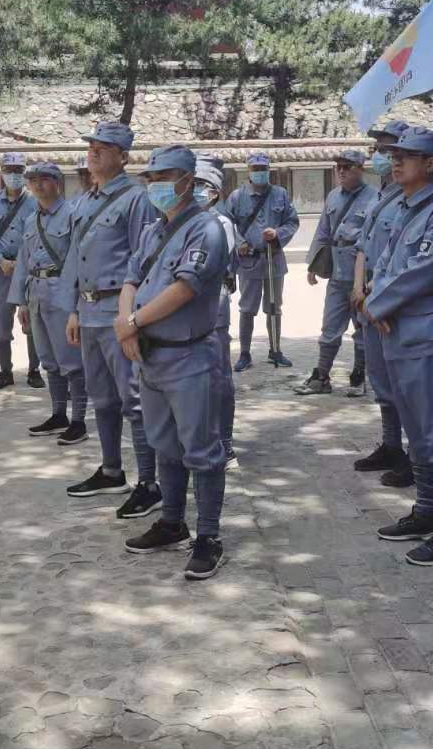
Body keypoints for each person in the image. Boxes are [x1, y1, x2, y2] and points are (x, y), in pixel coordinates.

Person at [116, 145, 233, 579]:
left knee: (202, 451)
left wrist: (132, 322)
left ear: (187, 180)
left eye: (164, 177)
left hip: (190, 356)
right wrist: (127, 324)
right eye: (150, 178)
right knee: (164, 444)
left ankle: (209, 536)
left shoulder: (207, 229)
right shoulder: (153, 231)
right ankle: (172, 522)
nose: (156, 185)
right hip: (151, 355)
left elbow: (185, 289)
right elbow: (131, 279)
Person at [363, 125, 433, 565]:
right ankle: (428, 511)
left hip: (429, 329)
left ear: (430, 163)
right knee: (417, 429)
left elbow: (425, 269)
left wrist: (377, 303)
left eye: (406, 155)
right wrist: (376, 299)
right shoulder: (403, 208)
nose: (395, 160)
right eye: (394, 154)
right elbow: (385, 264)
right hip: (399, 330)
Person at [64, 121, 161, 518]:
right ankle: (111, 470)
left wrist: (133, 320)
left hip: (117, 314)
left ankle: (149, 483)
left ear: (123, 157)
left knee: (134, 402)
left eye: (103, 148)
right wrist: (74, 309)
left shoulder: (137, 199)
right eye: (91, 145)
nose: (94, 152)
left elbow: (144, 263)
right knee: (101, 398)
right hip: (88, 313)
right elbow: (76, 258)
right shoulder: (85, 200)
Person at [350, 120, 414, 487]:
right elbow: (363, 246)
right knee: (380, 379)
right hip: (368, 298)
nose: (381, 156)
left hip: (391, 298)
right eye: (379, 149)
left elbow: (403, 259)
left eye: (389, 149)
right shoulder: (380, 196)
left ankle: (416, 455)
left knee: (403, 383)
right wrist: (358, 287)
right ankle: (391, 444)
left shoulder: (412, 200)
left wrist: (373, 291)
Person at [9, 163, 88, 446]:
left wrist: (76, 305)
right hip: (36, 293)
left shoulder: (73, 215)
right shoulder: (32, 219)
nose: (38, 185)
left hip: (62, 292)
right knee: (49, 361)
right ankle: (58, 414)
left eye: (44, 179)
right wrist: (21, 301)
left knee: (72, 362)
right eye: (32, 180)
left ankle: (79, 420)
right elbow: (24, 260)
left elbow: (79, 260)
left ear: (57, 182)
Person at [296, 149, 377, 395]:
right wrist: (313, 264)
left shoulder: (375, 198)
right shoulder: (332, 196)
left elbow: (374, 239)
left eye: (347, 167)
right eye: (338, 167)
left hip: (361, 273)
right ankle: (321, 377)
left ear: (360, 169)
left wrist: (370, 279)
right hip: (336, 272)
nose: (341, 171)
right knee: (330, 327)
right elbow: (323, 231)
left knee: (362, 327)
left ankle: (359, 377)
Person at [226, 152, 299, 370]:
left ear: (269, 170)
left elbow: (292, 222)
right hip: (249, 261)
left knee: (274, 308)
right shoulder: (236, 197)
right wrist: (239, 242)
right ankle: (245, 354)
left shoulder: (280, 194)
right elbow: (227, 224)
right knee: (247, 309)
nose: (260, 172)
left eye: (263, 169)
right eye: (255, 169)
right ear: (248, 171)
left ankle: (275, 350)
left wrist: (277, 234)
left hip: (273, 259)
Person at [0, 152, 43, 390]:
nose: (14, 175)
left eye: (18, 170)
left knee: (32, 320)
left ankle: (34, 370)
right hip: (1, 270)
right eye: (9, 170)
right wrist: (0, 261)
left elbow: (41, 234)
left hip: (28, 270)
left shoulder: (36, 201)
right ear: (2, 172)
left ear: (25, 172)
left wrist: (24, 263)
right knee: (0, 322)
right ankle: (5, 370)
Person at [194, 159, 240, 468]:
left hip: (214, 306)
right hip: (185, 309)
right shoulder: (180, 221)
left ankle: (225, 442)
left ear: (214, 193)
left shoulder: (221, 223)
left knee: (219, 376)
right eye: (192, 184)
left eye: (202, 185)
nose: (195, 190)